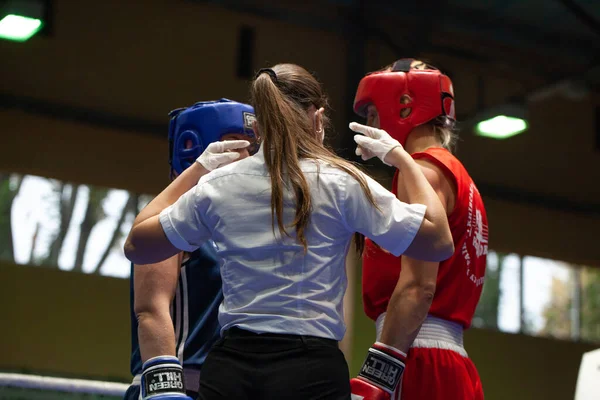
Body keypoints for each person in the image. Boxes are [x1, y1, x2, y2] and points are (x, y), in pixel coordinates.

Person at [123, 63, 454, 400]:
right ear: (317, 118)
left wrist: (197, 169)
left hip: (230, 371)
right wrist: (402, 158)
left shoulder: (218, 185)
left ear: (258, 123)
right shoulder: (342, 182)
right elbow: (439, 241)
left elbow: (138, 245)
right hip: (311, 371)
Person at [349, 59, 488, 400]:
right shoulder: (458, 175)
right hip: (448, 360)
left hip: (415, 355)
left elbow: (418, 287)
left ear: (404, 105)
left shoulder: (423, 173)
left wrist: (378, 374)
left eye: (373, 110)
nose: (369, 122)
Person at [123, 99, 258, 400]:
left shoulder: (242, 220)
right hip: (174, 385)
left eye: (252, 146)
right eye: (236, 144)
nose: (248, 155)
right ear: (198, 147)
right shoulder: (173, 214)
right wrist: (165, 388)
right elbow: (151, 307)